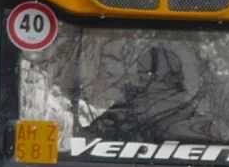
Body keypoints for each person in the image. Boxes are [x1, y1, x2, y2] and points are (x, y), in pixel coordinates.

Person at [82, 43, 215, 141]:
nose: (141, 79)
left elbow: (91, 135)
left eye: (145, 74)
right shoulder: (194, 118)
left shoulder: (129, 109)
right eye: (141, 74)